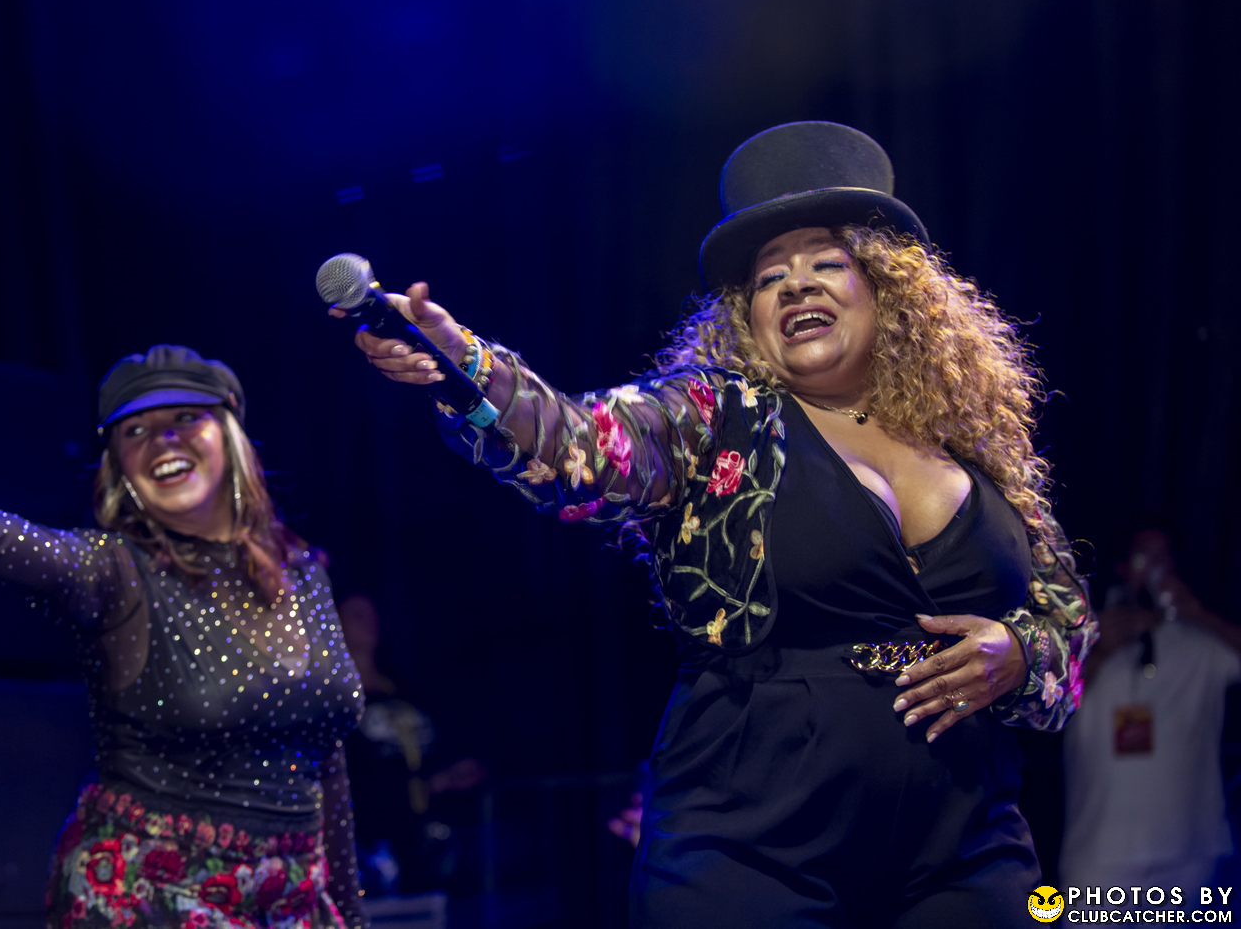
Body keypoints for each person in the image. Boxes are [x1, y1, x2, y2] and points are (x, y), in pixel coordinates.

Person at [337, 121, 1098, 927]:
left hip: (965, 845)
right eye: (770, 278)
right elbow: (579, 445)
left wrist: (1020, 654)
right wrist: (468, 367)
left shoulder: (976, 447)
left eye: (825, 263)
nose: (796, 286)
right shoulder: (716, 420)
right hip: (753, 845)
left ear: (887, 288)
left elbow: (1070, 622)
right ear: (748, 315)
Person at [0, 345, 367, 929]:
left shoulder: (304, 571)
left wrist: (351, 916)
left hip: (292, 900)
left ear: (229, 433)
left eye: (186, 417)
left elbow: (326, 762)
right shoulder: (115, 571)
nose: (163, 441)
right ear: (119, 466)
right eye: (135, 431)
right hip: (149, 895)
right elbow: (34, 548)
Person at [1061, 527, 1241, 900]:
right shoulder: (1085, 643)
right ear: (1123, 568)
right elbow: (1042, 704)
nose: (1155, 569)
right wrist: (1099, 652)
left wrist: (1199, 615)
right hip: (1100, 855)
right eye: (1145, 558)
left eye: (1164, 559)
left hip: (1190, 854)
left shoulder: (1201, 645)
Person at [337, 594, 485, 895]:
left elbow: (431, 745)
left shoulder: (400, 686)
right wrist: (420, 787)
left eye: (372, 614)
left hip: (428, 832)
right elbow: (350, 775)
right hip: (370, 845)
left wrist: (452, 774)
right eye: (356, 615)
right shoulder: (330, 697)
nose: (368, 623)